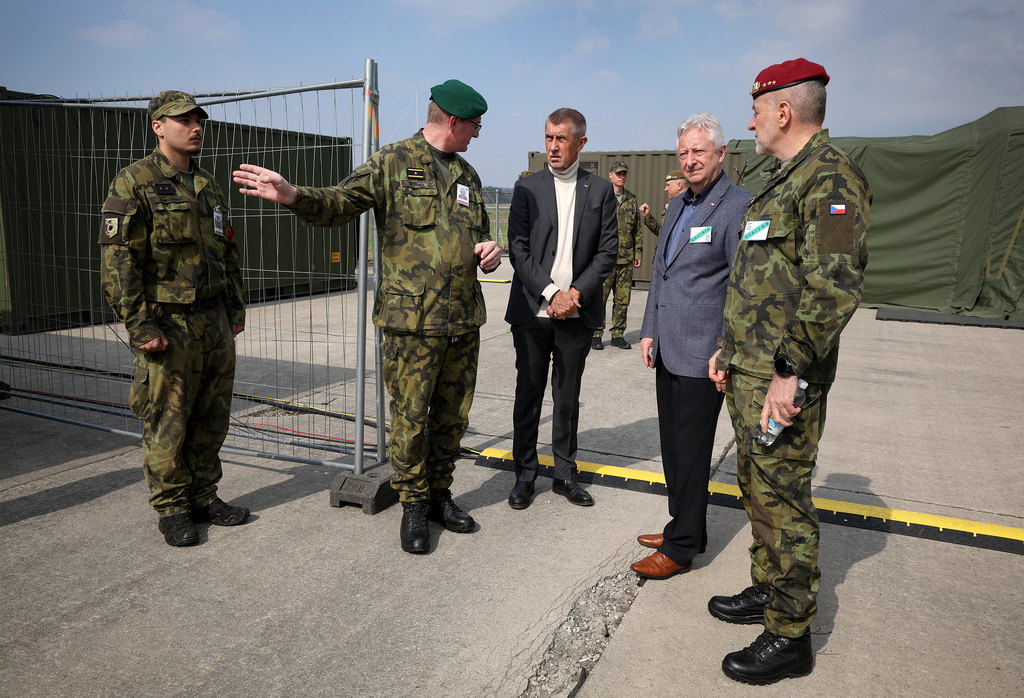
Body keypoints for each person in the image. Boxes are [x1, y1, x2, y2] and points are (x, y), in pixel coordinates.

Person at [233, 79, 501, 555]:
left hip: (462, 320)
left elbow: (478, 235)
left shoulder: (469, 177)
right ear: (453, 121)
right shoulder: (393, 162)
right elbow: (339, 203)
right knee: (411, 419)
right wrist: (294, 195)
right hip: (409, 323)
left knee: (452, 419)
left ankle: (440, 495)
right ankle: (414, 504)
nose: (478, 135)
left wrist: (490, 253)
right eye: (475, 126)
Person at [708, 58, 871, 685]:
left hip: (782, 378)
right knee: (756, 486)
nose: (749, 120)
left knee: (784, 498)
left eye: (756, 108)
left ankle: (790, 633)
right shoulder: (780, 179)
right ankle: (767, 589)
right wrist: (730, 346)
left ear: (784, 110)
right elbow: (758, 280)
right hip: (749, 367)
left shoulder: (830, 179)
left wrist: (787, 371)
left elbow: (832, 290)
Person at [99, 90, 249, 547]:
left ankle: (205, 496)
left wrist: (236, 309)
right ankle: (173, 508)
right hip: (169, 324)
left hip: (213, 321)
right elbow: (118, 260)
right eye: (183, 120)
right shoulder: (134, 182)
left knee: (212, 415)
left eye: (199, 119)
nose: (196, 127)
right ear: (158, 127)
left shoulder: (209, 186)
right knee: (168, 419)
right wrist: (141, 327)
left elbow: (228, 252)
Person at [631, 114, 751, 580]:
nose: (690, 160)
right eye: (683, 153)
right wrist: (648, 330)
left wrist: (727, 346)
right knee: (673, 448)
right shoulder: (680, 204)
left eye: (699, 151)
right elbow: (662, 271)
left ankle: (682, 549)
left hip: (705, 353)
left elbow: (743, 287)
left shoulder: (737, 207)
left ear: (720, 154)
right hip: (667, 347)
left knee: (693, 450)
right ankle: (686, 526)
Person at [504, 108, 618, 510]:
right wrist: (551, 292)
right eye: (548, 137)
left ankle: (565, 474)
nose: (552, 146)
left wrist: (574, 296)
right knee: (529, 394)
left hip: (576, 313)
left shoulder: (600, 190)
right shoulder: (527, 188)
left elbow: (607, 253)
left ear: (581, 143)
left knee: (567, 397)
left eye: (561, 139)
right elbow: (517, 249)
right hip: (533, 313)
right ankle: (525, 475)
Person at [592, 161, 642, 350]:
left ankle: (618, 335)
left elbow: (637, 229)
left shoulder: (631, 199)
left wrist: (638, 252)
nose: (622, 177)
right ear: (610, 174)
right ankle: (596, 334)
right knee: (600, 299)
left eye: (624, 174)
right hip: (605, 259)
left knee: (622, 299)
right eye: (618, 173)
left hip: (626, 259)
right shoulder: (602, 198)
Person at [639, 170, 686, 237]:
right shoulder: (672, 206)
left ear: (679, 186)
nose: (666, 189)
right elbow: (661, 233)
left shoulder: (689, 208)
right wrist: (648, 217)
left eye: (668, 185)